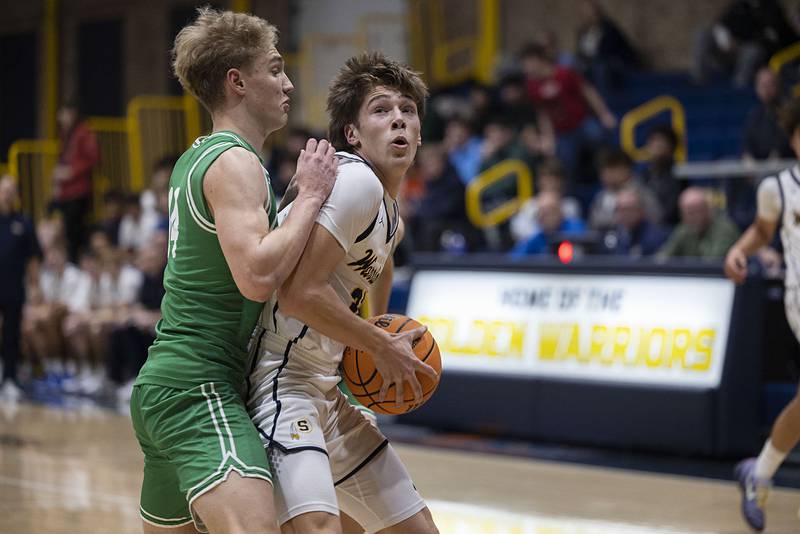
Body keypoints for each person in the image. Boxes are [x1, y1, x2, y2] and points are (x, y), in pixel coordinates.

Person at [129, 8, 337, 534]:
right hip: (200, 388)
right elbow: (256, 276)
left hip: (169, 384)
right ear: (238, 82)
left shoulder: (195, 159)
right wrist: (312, 196)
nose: (288, 82)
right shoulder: (235, 161)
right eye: (276, 68)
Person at [248, 52, 439, 534]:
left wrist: (379, 331)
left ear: (418, 132)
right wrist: (380, 345)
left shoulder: (389, 207)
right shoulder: (355, 182)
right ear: (353, 134)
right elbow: (297, 295)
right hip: (280, 383)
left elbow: (383, 263)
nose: (398, 117)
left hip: (326, 390)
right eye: (380, 109)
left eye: (408, 110)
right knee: (318, 528)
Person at [725, 98, 800, 532]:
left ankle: (761, 472)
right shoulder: (778, 187)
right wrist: (739, 250)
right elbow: (762, 230)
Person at [0, 176, 41, 400]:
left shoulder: (24, 223)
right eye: (3, 190)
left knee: (11, 336)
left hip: (14, 289)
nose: (7, 194)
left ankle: (9, 379)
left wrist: (35, 287)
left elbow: (33, 258)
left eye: (11, 190)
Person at [50, 101, 100, 262]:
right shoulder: (66, 135)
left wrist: (71, 172)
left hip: (78, 191)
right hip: (65, 193)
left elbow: (93, 158)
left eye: (63, 114)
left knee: (75, 234)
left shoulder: (83, 133)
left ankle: (76, 262)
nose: (61, 118)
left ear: (72, 113)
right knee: (63, 230)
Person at [657, 187, 740, 260]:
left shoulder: (724, 229)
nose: (694, 217)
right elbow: (663, 257)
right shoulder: (684, 229)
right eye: (689, 213)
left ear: (707, 209)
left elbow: (714, 262)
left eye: (697, 211)